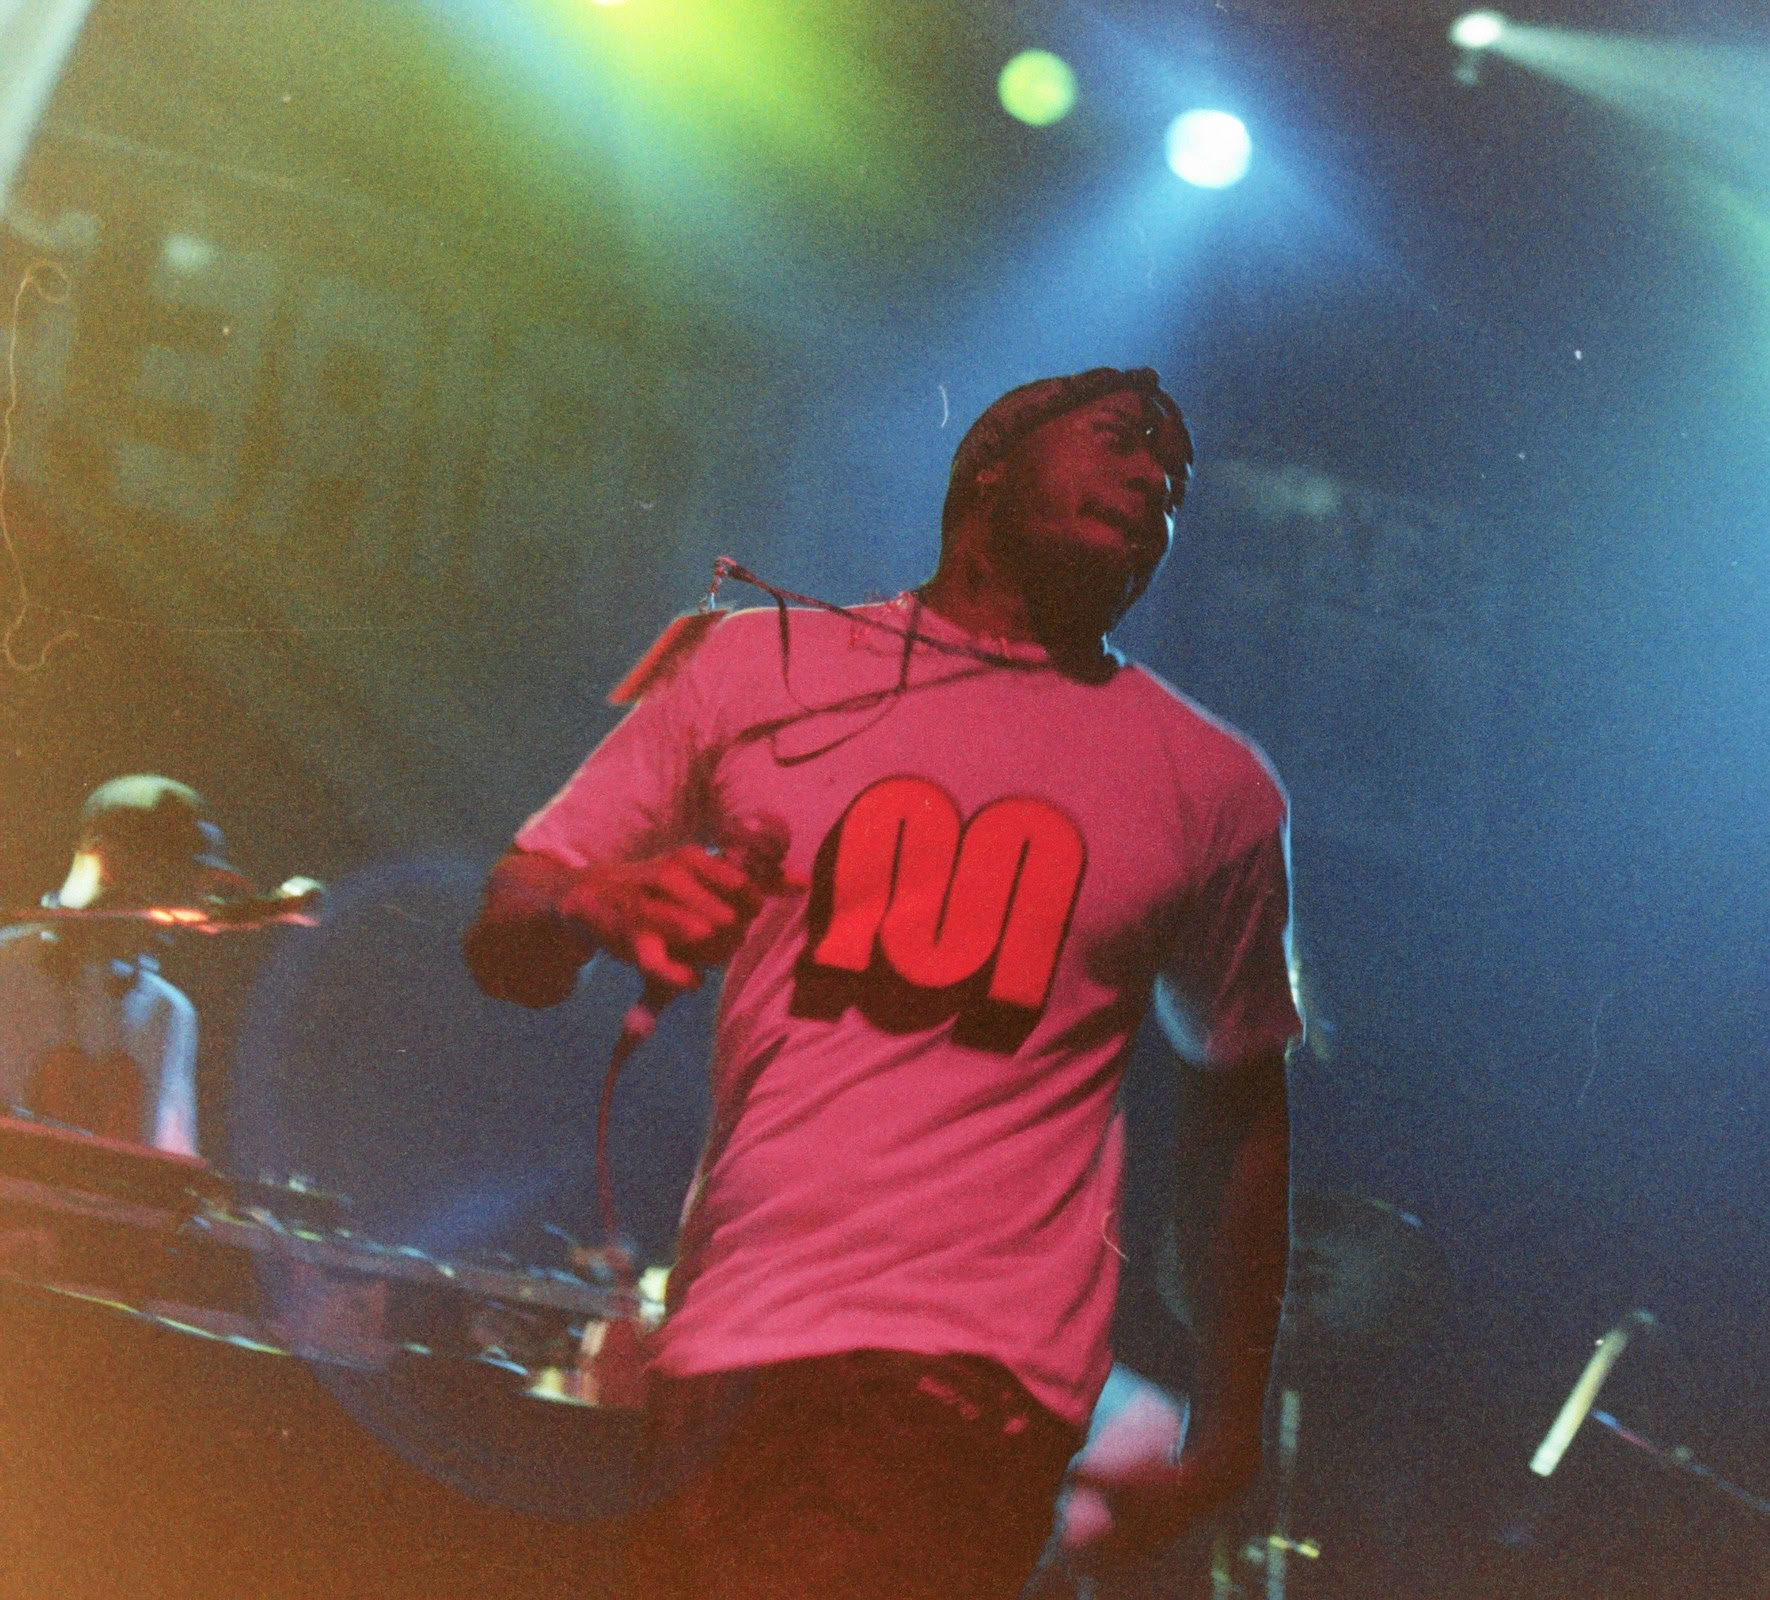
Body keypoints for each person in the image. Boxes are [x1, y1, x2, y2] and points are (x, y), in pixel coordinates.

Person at [463, 366, 1300, 1599]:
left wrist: (1230, 1427)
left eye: (1173, 480)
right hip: (723, 1348)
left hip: (964, 1376)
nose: (1152, 482)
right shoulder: (755, 666)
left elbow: (1241, 1109)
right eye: (1122, 440)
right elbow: (507, 926)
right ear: (990, 466)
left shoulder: (1210, 785)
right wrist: (593, 903)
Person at [0, 775, 241, 1155]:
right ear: (107, 861)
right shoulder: (7, 967)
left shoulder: (169, 1013)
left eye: (200, 885)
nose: (193, 902)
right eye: (172, 876)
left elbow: (170, 1169)